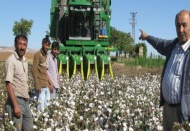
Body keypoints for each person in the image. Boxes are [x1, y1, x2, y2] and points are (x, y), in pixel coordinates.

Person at [139, 10, 190, 130]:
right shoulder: (173, 45)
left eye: (184, 25)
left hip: (183, 113)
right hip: (167, 109)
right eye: (178, 25)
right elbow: (159, 43)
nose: (181, 29)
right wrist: (147, 37)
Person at [4, 34, 33, 130]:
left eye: (24, 44)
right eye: (20, 44)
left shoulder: (24, 60)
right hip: (16, 101)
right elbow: (9, 85)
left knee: (29, 128)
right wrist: (15, 106)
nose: (22, 47)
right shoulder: (11, 61)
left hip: (25, 101)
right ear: (15, 45)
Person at [32, 35, 53, 112]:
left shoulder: (46, 55)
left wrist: (50, 83)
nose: (47, 47)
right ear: (42, 44)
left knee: (47, 104)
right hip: (41, 85)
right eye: (46, 45)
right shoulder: (38, 54)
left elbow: (45, 71)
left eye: (48, 46)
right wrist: (37, 85)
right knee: (40, 107)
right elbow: (34, 70)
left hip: (46, 84)